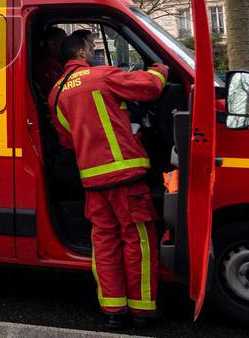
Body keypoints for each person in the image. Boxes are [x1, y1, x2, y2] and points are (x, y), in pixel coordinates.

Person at [47, 29, 169, 329]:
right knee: (137, 239)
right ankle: (142, 310)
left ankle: (114, 310)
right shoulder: (100, 76)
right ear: (81, 53)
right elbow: (150, 87)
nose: (93, 52)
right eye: (90, 47)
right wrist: (161, 67)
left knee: (104, 242)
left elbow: (66, 140)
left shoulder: (56, 92)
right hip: (125, 174)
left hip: (92, 179)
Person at [33, 27, 67, 94]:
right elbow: (59, 91)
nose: (66, 45)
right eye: (63, 42)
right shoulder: (48, 65)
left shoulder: (58, 60)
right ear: (52, 44)